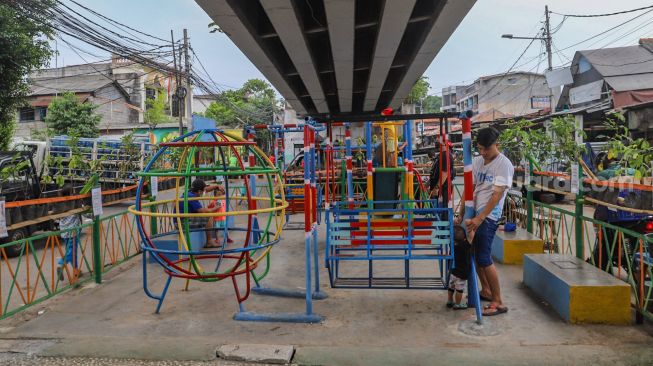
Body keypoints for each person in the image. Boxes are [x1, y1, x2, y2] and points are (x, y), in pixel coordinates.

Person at [454, 127, 513, 316]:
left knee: (484, 258)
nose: (483, 153)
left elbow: (496, 196)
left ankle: (498, 301)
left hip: (488, 216)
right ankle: (486, 290)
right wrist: (461, 213)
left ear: (497, 145)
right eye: (479, 148)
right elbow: (469, 188)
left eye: (486, 149)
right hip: (474, 214)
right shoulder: (478, 161)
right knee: (473, 253)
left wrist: (479, 218)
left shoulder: (504, 165)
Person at [177, 179, 224, 247]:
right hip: (182, 223)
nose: (205, 192)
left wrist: (216, 186)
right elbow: (203, 211)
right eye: (203, 191)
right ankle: (209, 241)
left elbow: (206, 189)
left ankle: (211, 239)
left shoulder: (190, 192)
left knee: (207, 215)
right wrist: (216, 208)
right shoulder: (191, 198)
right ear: (199, 191)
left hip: (182, 220)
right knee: (209, 216)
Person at [56, 184, 82, 281]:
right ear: (70, 193)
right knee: (72, 251)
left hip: (64, 230)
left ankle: (76, 271)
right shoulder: (73, 202)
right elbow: (82, 211)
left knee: (71, 251)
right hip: (73, 230)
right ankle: (61, 264)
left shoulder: (61, 202)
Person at [447, 225, 470, 310]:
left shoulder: (451, 245)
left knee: (451, 286)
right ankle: (457, 304)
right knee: (459, 290)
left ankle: (449, 301)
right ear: (464, 239)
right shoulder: (465, 246)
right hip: (461, 273)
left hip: (452, 271)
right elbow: (471, 240)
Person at [430, 142, 455, 209]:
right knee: (438, 211)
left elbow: (444, 173)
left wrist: (437, 188)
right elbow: (435, 171)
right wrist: (427, 184)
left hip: (443, 189)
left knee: (443, 211)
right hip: (439, 189)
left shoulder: (445, 156)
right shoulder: (440, 156)